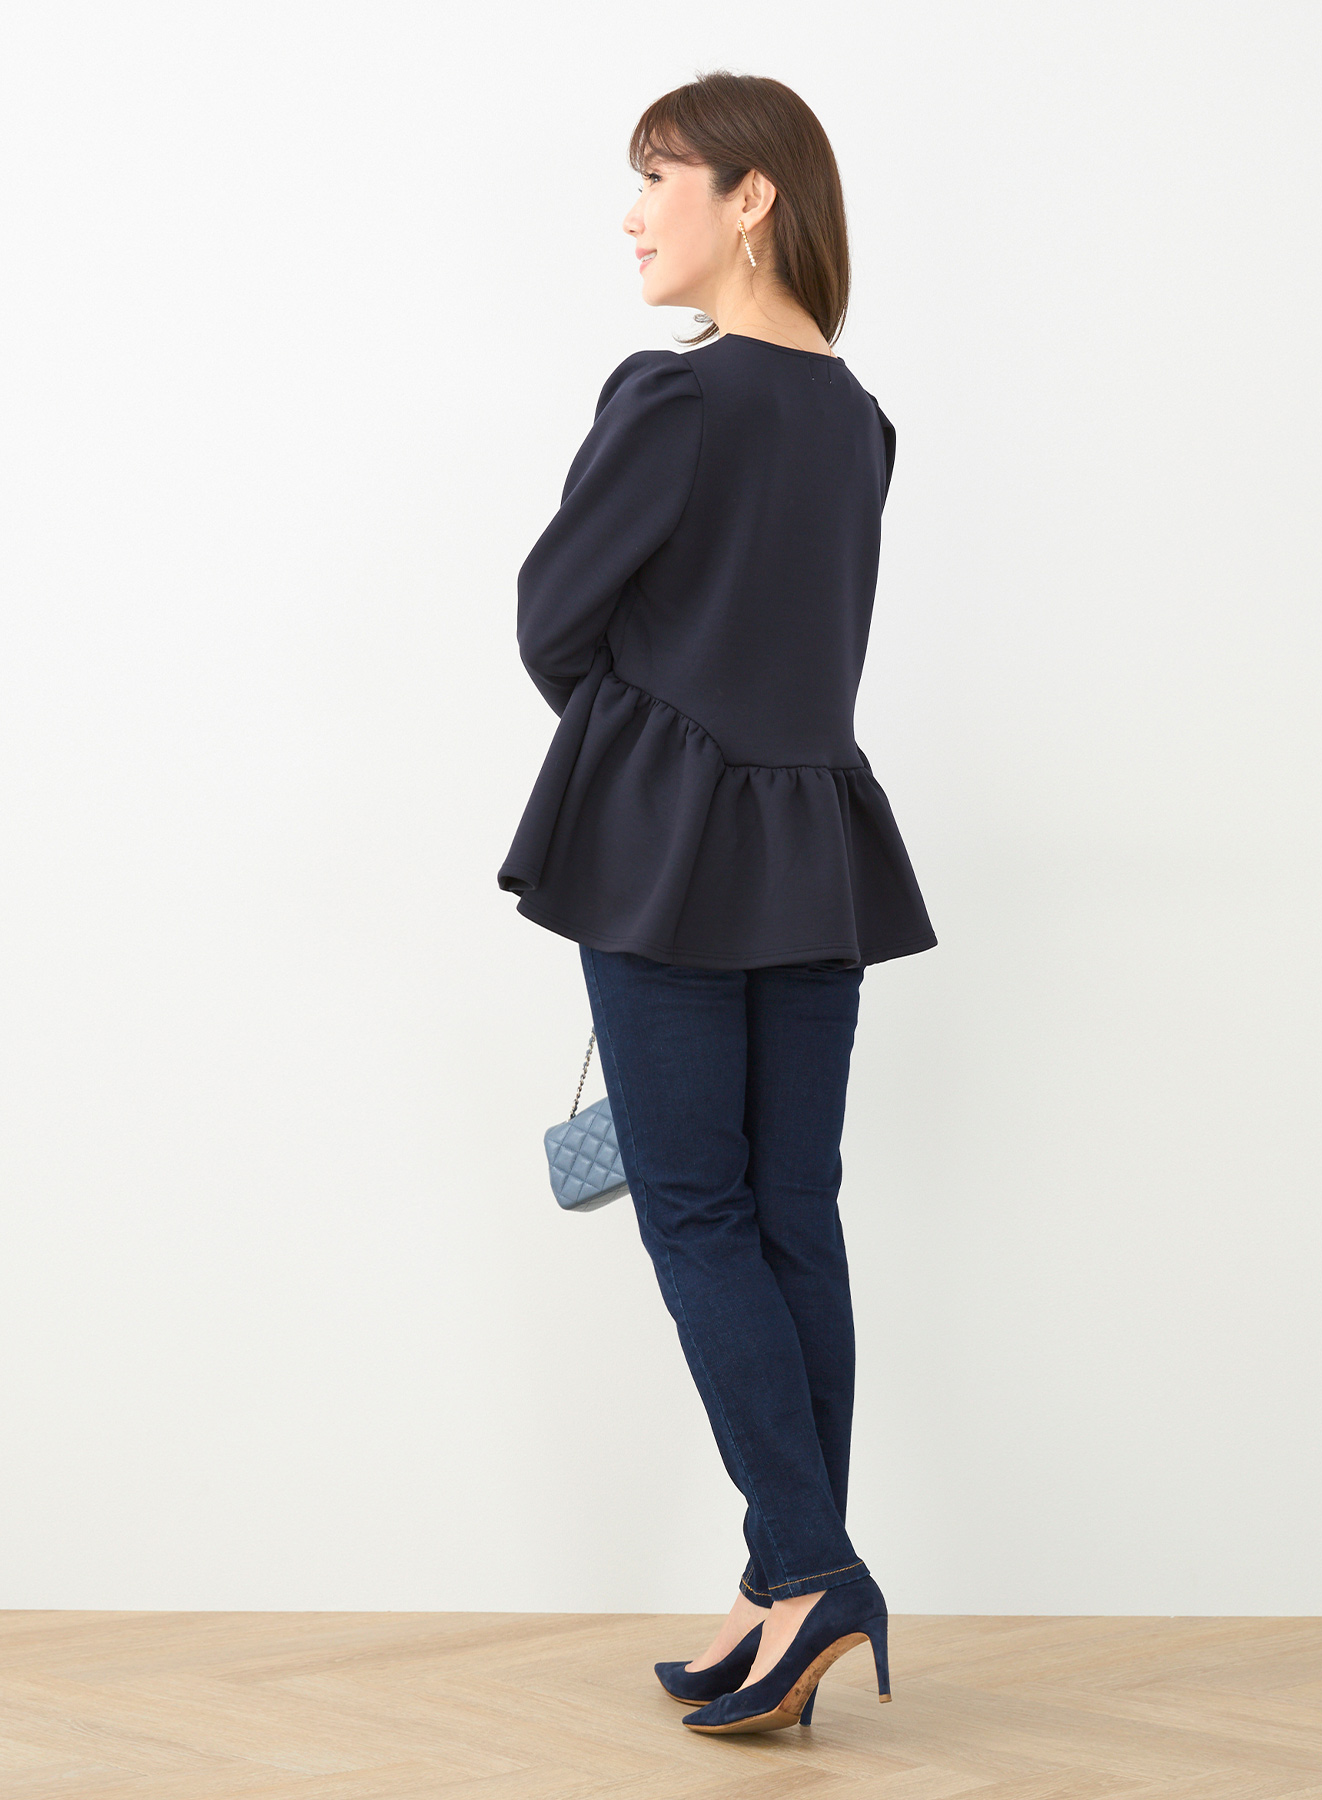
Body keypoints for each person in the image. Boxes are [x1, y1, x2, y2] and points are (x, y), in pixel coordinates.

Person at [497, 70, 936, 1735]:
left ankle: (812, 1568)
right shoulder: (858, 419)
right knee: (791, 1212)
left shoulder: (675, 398)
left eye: (657, 179)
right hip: (815, 848)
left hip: (674, 855)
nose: (631, 216)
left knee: (695, 1213)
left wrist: (652, 747)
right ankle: (780, 1590)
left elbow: (553, 618)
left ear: (752, 198)